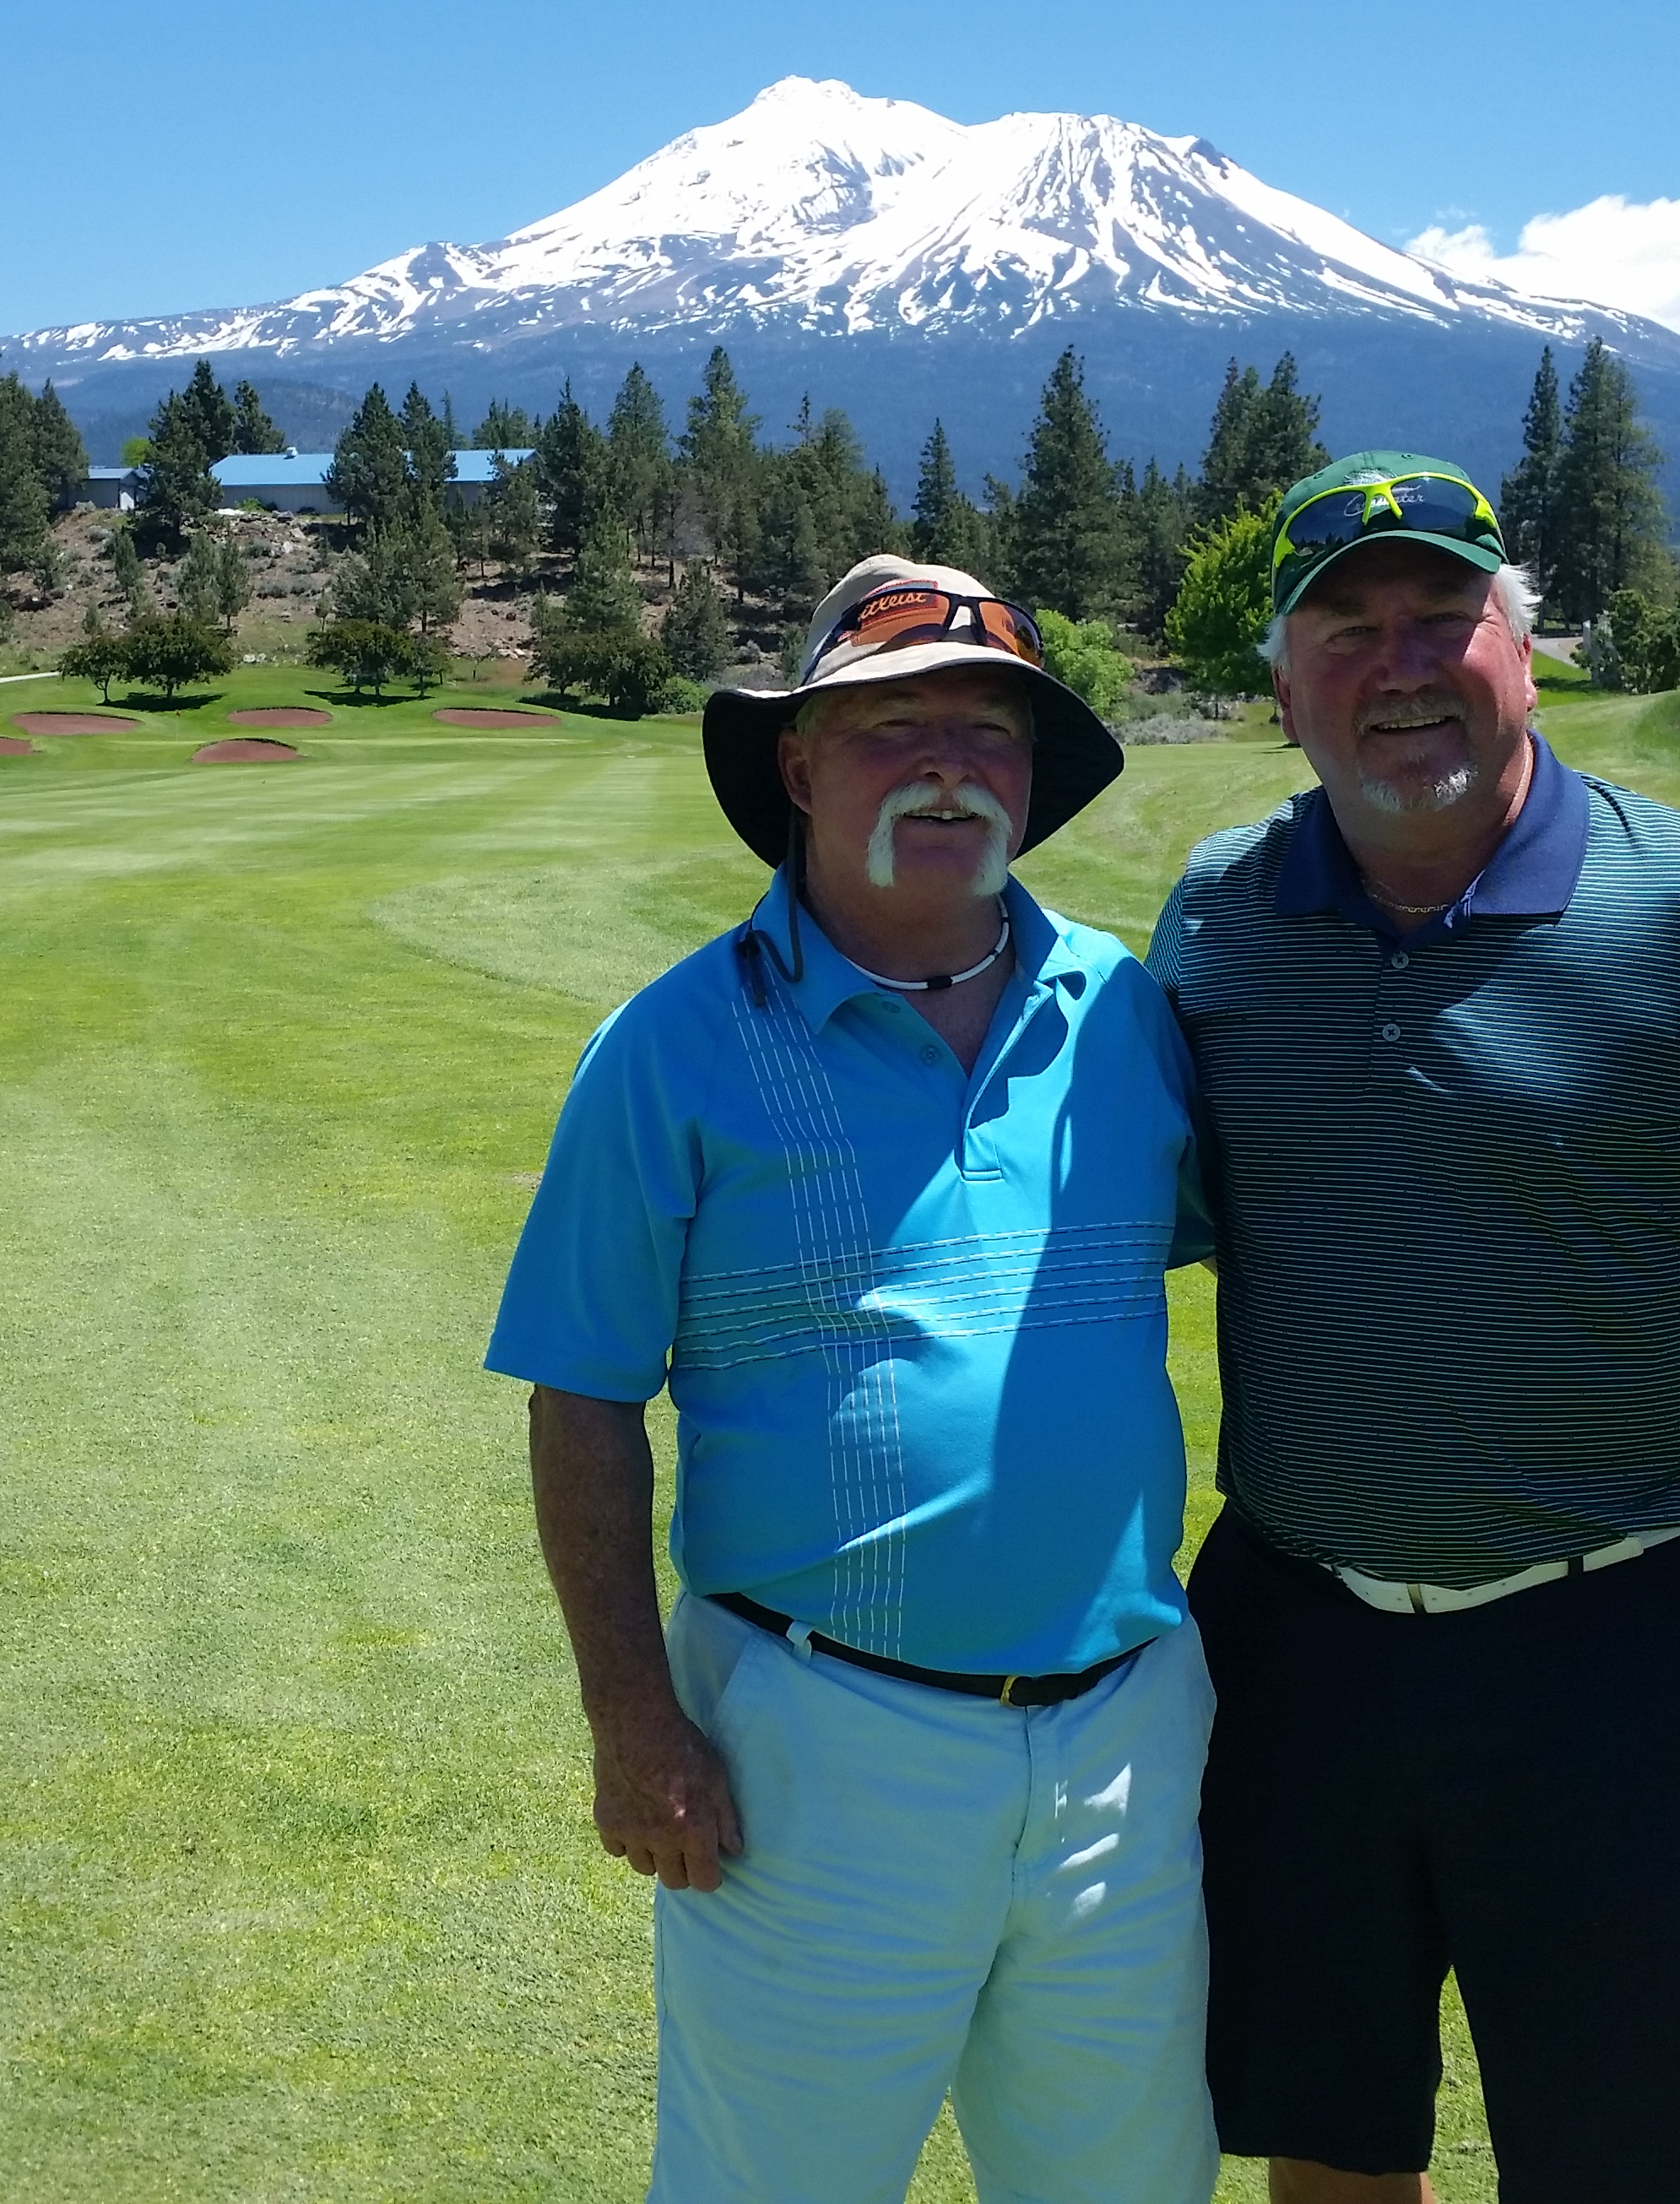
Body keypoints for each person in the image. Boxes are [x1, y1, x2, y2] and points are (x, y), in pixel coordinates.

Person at [1149, 454, 1680, 2203]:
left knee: (1626, 2160)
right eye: (1345, 633)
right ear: (1281, 692)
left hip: (1592, 1656)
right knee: (1329, 2138)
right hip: (1292, 1641)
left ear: (1526, 650)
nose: (1401, 666)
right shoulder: (1218, 917)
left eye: (1444, 619)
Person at [485, 555, 1219, 2204]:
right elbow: (582, 1397)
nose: (950, 764)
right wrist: (630, 1722)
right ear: (801, 766)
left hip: (1123, 1738)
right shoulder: (668, 1047)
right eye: (894, 729)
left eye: (988, 728)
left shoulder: (1126, 1014)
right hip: (815, 1752)